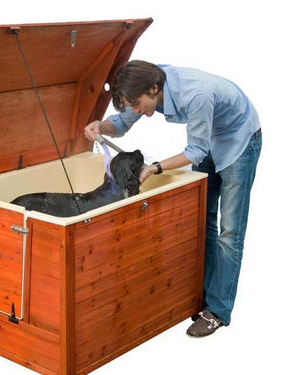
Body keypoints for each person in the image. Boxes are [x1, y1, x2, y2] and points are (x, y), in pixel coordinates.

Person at [84, 60, 261, 337]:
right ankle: (202, 295)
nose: (135, 111)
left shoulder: (196, 95)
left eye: (136, 104)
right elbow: (122, 122)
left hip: (239, 140)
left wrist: (154, 168)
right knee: (202, 221)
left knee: (229, 232)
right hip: (209, 135)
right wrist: (101, 127)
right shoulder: (144, 82)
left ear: (154, 89)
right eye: (130, 105)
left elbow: (196, 151)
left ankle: (218, 311)